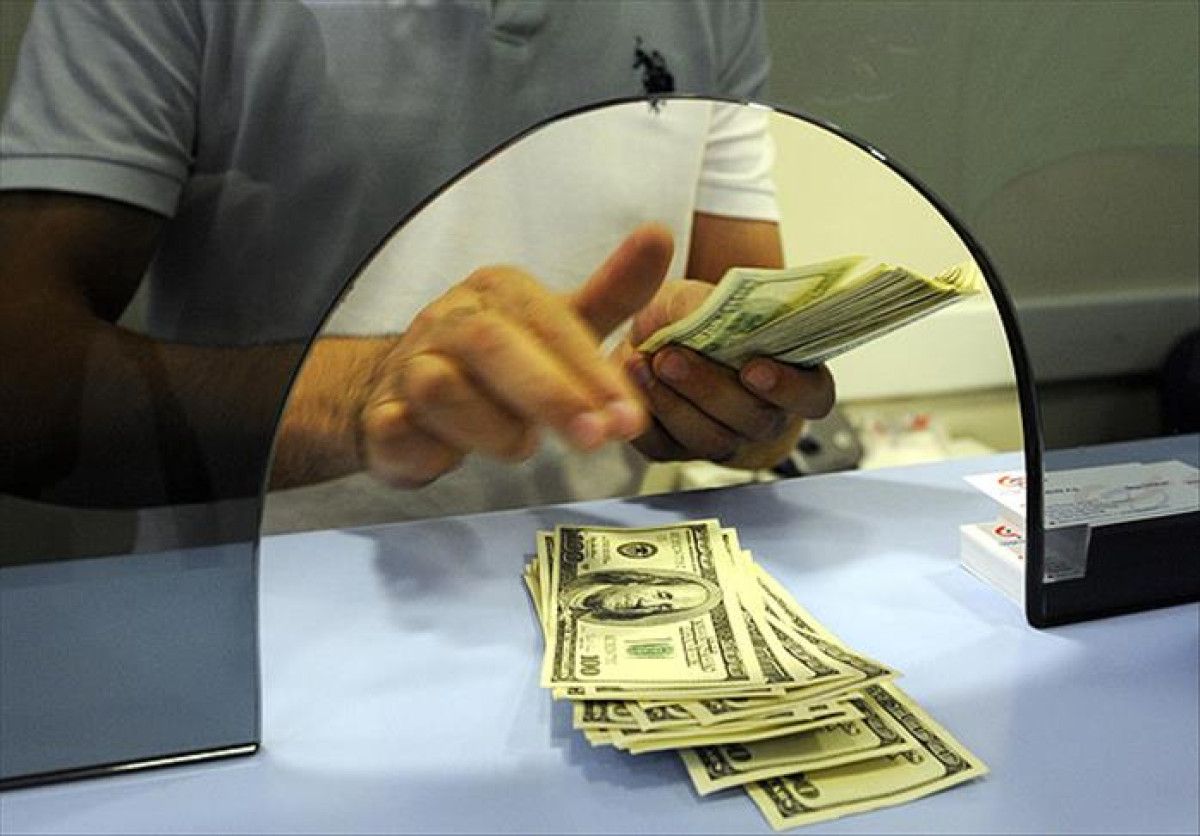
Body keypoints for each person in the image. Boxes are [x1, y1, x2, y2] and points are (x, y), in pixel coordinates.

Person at [0, 1, 833, 529]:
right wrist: (361, 393)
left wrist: (725, 394)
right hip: (262, 644)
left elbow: (764, 417)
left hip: (596, 621)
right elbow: (22, 389)